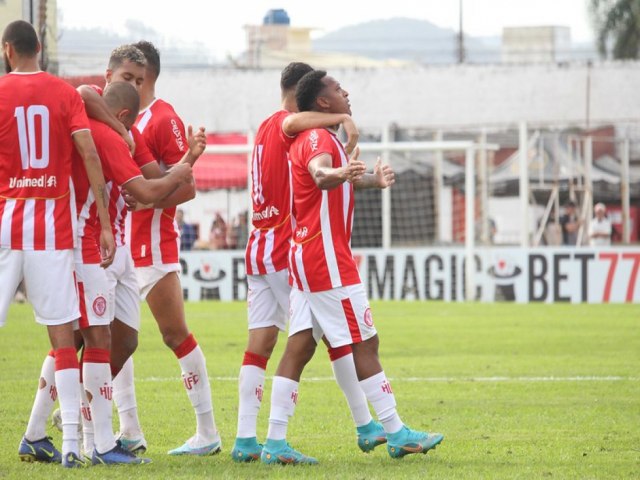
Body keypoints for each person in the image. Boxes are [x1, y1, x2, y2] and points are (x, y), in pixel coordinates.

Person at [260, 70, 444, 464]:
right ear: (323, 102)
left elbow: (326, 180)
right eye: (337, 89)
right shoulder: (317, 137)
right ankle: (396, 432)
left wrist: (369, 181)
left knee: (301, 345)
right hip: (325, 258)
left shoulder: (321, 137)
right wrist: (337, 173)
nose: (345, 92)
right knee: (364, 342)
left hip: (307, 254)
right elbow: (320, 175)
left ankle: (275, 442)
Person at [232, 62, 383, 464]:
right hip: (287, 246)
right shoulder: (289, 125)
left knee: (260, 346)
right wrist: (344, 118)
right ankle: (366, 425)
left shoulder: (264, 127)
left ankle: (246, 438)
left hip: (257, 246)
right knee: (326, 339)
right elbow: (300, 125)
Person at [1, 20, 115, 468]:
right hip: (52, 229)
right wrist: (105, 224)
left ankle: (53, 438)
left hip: (8, 222)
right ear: (40, 48)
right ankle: (70, 443)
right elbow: (88, 155)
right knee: (64, 337)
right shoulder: (66, 93)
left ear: (8, 50)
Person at [125, 40, 220, 456]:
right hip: (118, 243)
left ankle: (207, 432)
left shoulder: (163, 119)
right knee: (116, 336)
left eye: (127, 75)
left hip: (151, 244)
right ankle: (129, 430)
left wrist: (147, 199)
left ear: (143, 76)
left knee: (174, 333)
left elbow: (188, 185)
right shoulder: (122, 119)